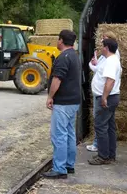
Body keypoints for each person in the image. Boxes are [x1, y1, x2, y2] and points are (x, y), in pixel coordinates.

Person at [42, 29, 81, 179]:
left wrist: (50, 97)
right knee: (70, 133)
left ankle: (59, 168)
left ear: (61, 40)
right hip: (73, 101)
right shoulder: (74, 56)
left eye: (58, 39)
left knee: (59, 135)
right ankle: (69, 165)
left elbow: (57, 79)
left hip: (63, 102)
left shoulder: (63, 57)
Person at [88, 38, 121, 165]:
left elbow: (110, 81)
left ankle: (103, 156)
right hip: (112, 97)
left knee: (100, 126)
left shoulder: (111, 61)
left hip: (108, 97)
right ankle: (110, 154)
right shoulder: (111, 60)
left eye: (102, 46)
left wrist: (104, 97)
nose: (101, 48)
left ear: (106, 48)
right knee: (110, 127)